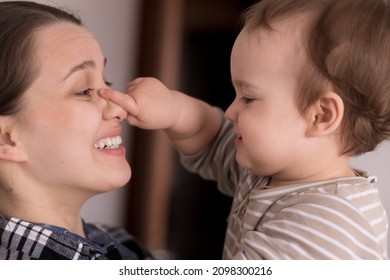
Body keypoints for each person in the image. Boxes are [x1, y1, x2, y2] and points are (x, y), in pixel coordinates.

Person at [101, 0, 389, 259]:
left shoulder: (326, 224)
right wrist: (173, 110)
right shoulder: (273, 171)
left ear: (321, 115)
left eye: (248, 98)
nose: (230, 111)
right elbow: (211, 137)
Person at [0, 1, 151, 260]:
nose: (120, 107)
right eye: (83, 91)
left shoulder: (117, 242)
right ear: (7, 139)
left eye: (107, 81)